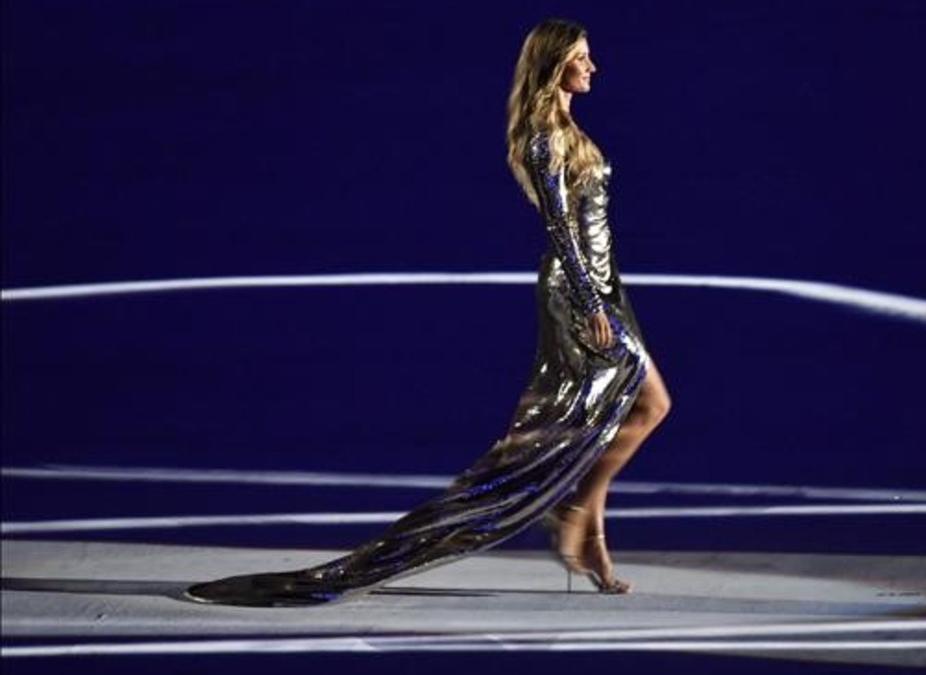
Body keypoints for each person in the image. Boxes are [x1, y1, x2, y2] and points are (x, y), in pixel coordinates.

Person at [182, 17, 670, 607]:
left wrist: (606, 292)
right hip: (578, 293)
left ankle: (582, 516)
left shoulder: (569, 128)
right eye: (582, 58)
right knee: (628, 411)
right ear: (554, 65)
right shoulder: (544, 134)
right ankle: (576, 518)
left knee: (642, 405)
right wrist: (591, 304)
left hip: (605, 286)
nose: (593, 67)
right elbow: (558, 226)